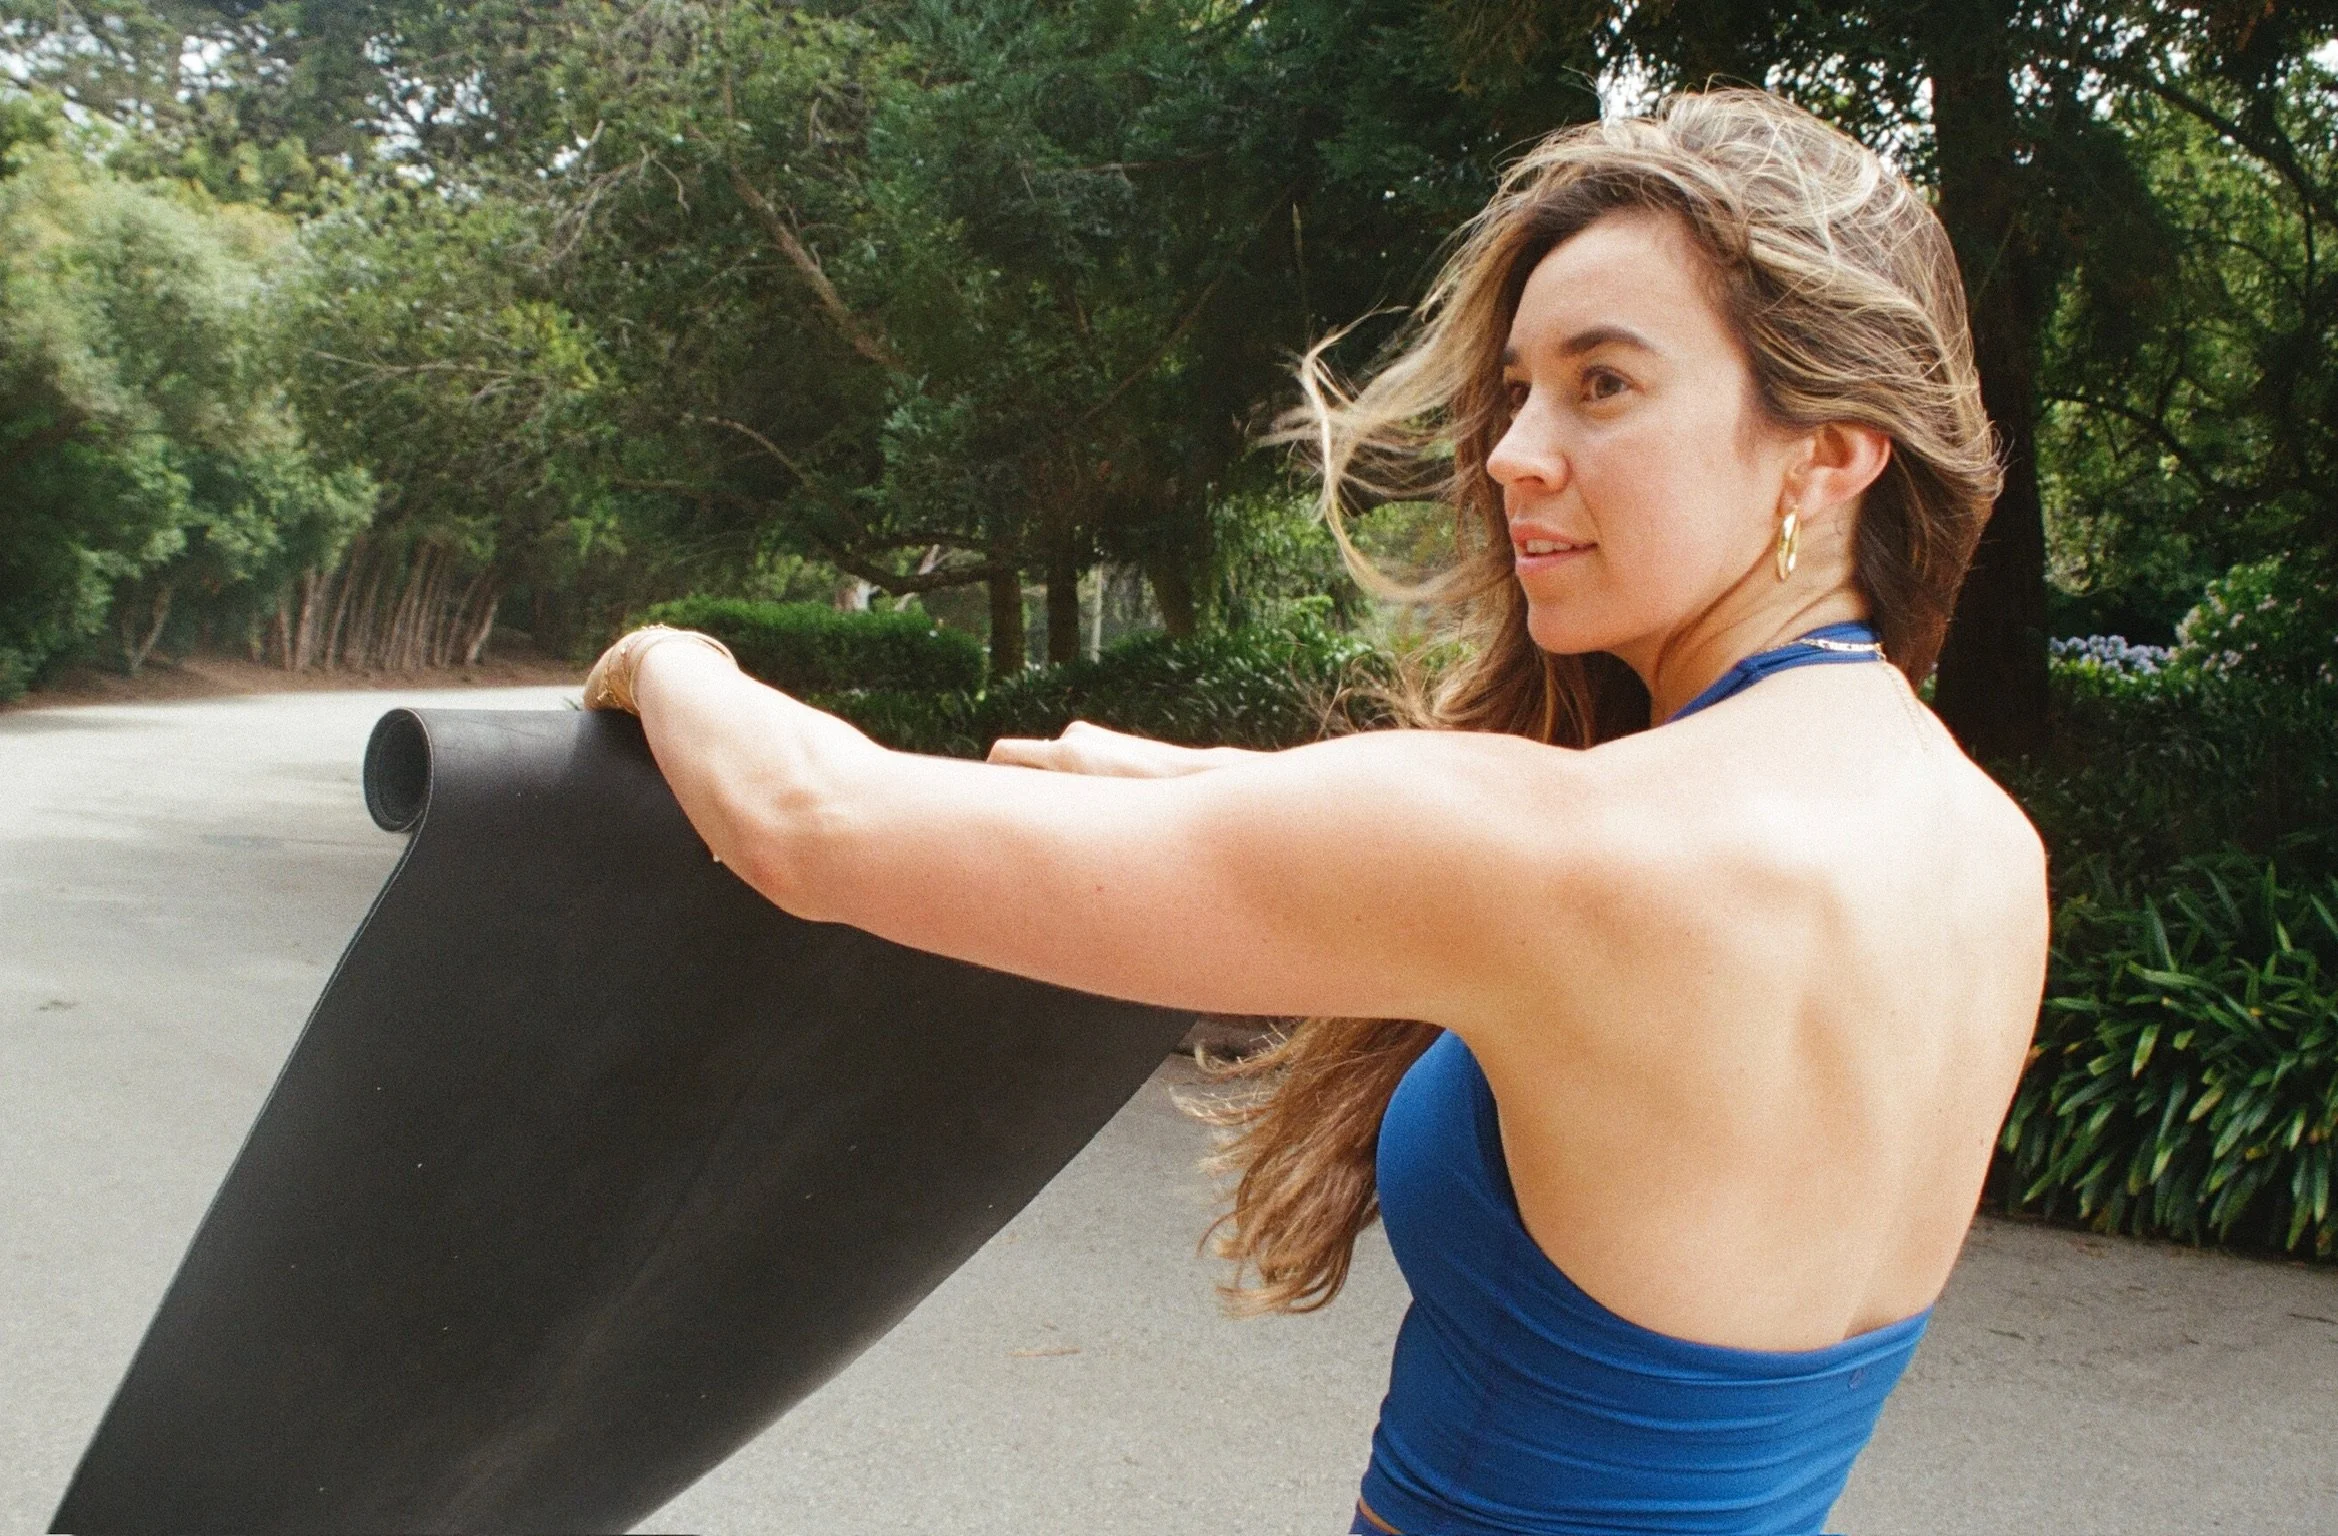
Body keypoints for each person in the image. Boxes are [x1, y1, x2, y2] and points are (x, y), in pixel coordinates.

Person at [584, 88, 2048, 1536]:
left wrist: (664, 659)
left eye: (1603, 383)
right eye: (1518, 391)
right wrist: (1195, 781)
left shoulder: (1555, 854)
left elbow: (804, 819)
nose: (1512, 452)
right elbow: (1414, 842)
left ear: (1830, 451)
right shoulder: (1983, 851)